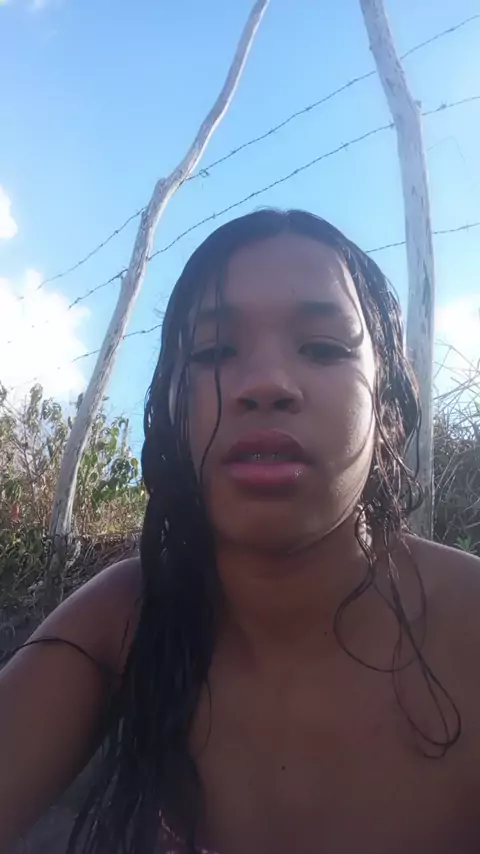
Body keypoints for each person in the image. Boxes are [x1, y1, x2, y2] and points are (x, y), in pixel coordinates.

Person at [1, 208, 480, 854]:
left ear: (386, 396)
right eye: (214, 352)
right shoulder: (124, 619)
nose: (266, 385)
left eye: (323, 347)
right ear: (171, 404)